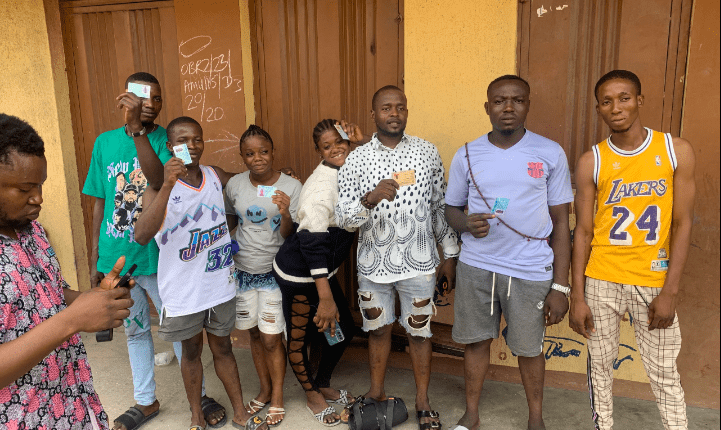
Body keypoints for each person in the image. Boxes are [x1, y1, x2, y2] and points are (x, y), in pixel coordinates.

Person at [83, 72, 223, 430]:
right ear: (125, 98)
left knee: (179, 330)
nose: (150, 105)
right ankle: (145, 401)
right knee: (135, 331)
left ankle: (199, 396)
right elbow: (99, 201)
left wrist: (137, 132)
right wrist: (95, 256)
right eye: (142, 98)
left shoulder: (169, 139)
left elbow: (159, 180)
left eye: (157, 98)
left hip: (160, 259)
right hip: (118, 259)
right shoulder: (104, 143)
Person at [444, 75, 574, 430]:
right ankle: (472, 415)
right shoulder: (467, 153)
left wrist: (560, 287)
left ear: (528, 105)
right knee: (475, 342)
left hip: (530, 269)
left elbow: (561, 223)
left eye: (517, 100)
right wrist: (466, 223)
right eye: (500, 101)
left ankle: (535, 419)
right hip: (477, 265)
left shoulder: (549, 152)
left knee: (530, 349)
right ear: (487, 107)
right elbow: (450, 208)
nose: (508, 107)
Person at [570, 70, 694, 430]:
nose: (616, 108)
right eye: (606, 102)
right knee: (600, 368)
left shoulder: (674, 150)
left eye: (624, 98)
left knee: (664, 372)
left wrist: (670, 291)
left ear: (639, 100)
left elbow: (683, 223)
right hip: (601, 278)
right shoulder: (592, 160)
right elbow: (583, 232)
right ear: (598, 109)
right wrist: (578, 295)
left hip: (653, 280)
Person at [0, 113, 135, 430]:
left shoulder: (32, 231)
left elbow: (46, 295)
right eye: (25, 188)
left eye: (40, 185)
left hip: (73, 406)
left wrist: (94, 299)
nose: (39, 198)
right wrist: (73, 320)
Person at [336, 85, 459, 430]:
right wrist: (369, 198)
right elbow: (344, 219)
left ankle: (423, 401)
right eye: (386, 108)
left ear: (407, 111)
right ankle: (376, 392)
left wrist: (449, 254)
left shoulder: (426, 152)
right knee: (377, 330)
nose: (394, 113)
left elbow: (438, 206)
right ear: (373, 114)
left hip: (419, 262)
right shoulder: (356, 159)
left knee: (419, 333)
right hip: (373, 264)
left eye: (400, 107)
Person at [134, 116, 268, 430]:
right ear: (170, 147)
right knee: (191, 352)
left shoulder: (213, 175)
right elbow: (142, 235)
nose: (192, 146)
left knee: (223, 348)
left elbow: (246, 180)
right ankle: (196, 416)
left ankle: (240, 412)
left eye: (197, 139)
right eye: (183, 141)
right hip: (183, 291)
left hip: (219, 285)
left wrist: (275, 178)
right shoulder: (157, 188)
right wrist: (168, 184)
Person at [272, 119, 365, 426]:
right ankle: (312, 394)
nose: (336, 149)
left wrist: (361, 142)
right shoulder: (320, 185)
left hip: (322, 270)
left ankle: (322, 382)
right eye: (327, 146)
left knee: (343, 329)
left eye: (340, 141)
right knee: (298, 339)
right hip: (299, 274)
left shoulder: (351, 164)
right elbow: (312, 244)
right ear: (319, 151)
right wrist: (325, 298)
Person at [223, 125, 302, 427]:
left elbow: (291, 235)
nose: (258, 158)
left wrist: (285, 213)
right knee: (254, 334)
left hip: (274, 272)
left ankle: (278, 397)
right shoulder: (235, 185)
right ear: (242, 157)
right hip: (243, 271)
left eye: (264, 151)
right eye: (250, 153)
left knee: (271, 338)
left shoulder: (291, 186)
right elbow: (231, 222)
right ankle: (265, 389)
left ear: (273, 152)